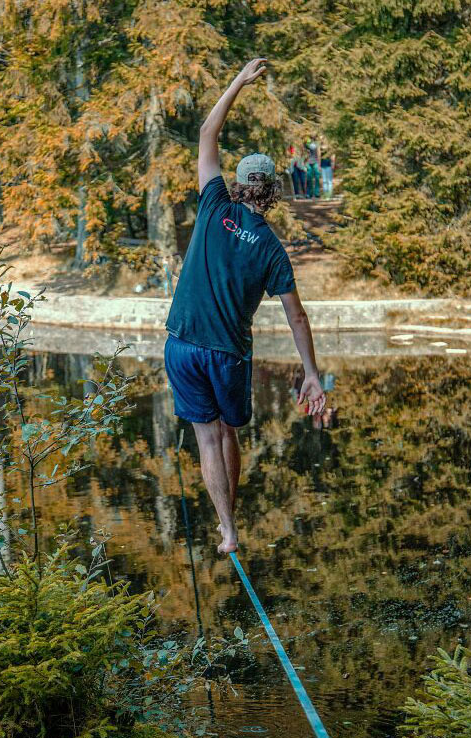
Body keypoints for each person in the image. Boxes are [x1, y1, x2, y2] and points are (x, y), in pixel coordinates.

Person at [165, 58, 326, 554]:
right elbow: (296, 316)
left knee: (206, 438)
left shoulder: (214, 202)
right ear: (272, 191)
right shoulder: (273, 249)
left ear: (239, 184)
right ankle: (230, 526)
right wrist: (311, 373)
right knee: (228, 431)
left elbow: (206, 133)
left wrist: (237, 82)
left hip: (181, 343)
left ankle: (226, 528)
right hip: (226, 354)